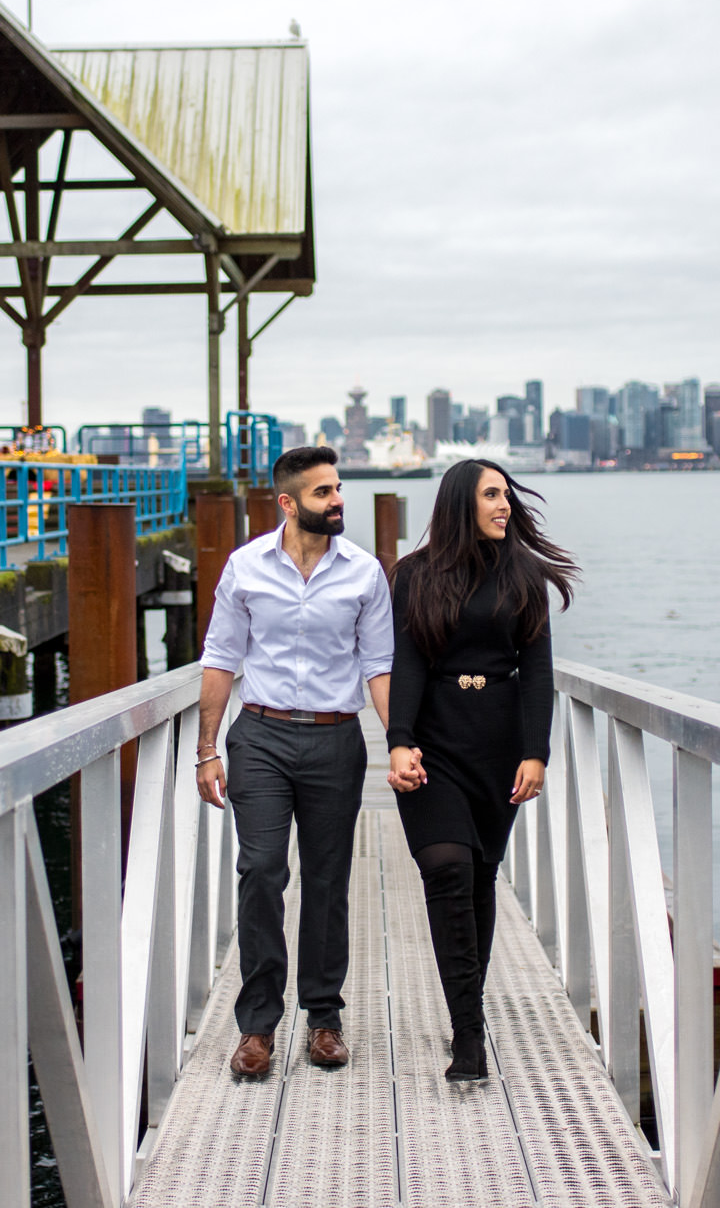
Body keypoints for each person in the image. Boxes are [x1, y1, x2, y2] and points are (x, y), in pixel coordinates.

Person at [197, 445, 393, 1079]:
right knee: (259, 871)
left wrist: (401, 745)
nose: (338, 500)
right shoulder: (245, 568)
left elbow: (379, 667)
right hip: (260, 738)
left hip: (337, 742)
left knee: (329, 879)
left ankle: (325, 1019)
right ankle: (257, 1026)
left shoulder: (364, 573)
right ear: (287, 502)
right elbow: (222, 658)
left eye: (338, 489)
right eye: (323, 492)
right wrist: (206, 749)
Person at [387, 458, 578, 1080]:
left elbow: (540, 670)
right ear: (459, 503)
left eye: (507, 494)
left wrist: (536, 751)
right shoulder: (413, 576)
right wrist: (399, 740)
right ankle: (469, 1035)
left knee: (478, 880)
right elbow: (409, 663)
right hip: (434, 742)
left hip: (498, 745)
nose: (505, 504)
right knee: (446, 867)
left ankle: (464, 1011)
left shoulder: (525, 574)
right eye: (492, 495)